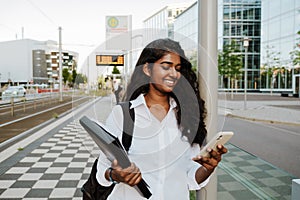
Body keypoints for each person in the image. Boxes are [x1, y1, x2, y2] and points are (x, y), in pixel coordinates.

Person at [96, 38, 227, 199]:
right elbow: (102, 172)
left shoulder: (187, 117)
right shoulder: (122, 114)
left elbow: (191, 179)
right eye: (166, 66)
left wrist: (208, 168)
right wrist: (116, 175)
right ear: (147, 69)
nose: (174, 74)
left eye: (178, 68)